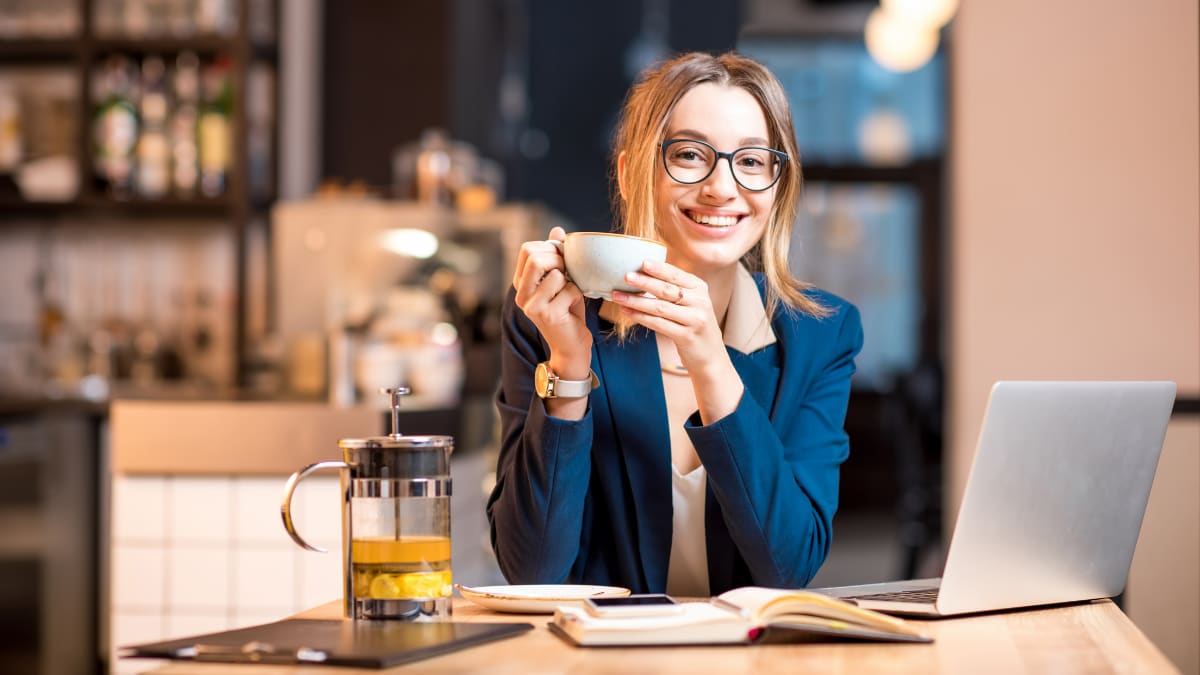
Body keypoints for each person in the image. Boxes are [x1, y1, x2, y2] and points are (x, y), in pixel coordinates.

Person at [487, 51, 864, 597]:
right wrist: (569, 365)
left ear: (779, 185)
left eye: (753, 161)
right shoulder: (549, 317)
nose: (721, 187)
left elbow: (789, 567)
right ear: (628, 171)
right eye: (690, 155)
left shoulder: (821, 335)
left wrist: (710, 359)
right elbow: (533, 571)